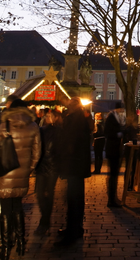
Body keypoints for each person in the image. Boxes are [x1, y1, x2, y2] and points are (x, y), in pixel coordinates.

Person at [0, 98, 40, 256]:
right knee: (18, 208)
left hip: (3, 173)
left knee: (5, 210)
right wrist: (28, 169)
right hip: (21, 173)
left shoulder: (4, 126)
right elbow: (37, 154)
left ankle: (5, 247)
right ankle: (21, 243)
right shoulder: (33, 126)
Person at [55, 97, 92, 247]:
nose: (66, 102)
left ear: (74, 105)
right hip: (77, 165)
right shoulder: (77, 117)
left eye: (70, 101)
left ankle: (72, 232)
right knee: (74, 199)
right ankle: (75, 229)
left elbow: (70, 142)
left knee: (74, 199)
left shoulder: (75, 119)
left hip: (74, 165)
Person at [34, 109, 60, 237]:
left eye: (50, 116)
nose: (48, 117)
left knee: (49, 194)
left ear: (55, 118)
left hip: (53, 166)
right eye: (47, 115)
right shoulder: (40, 130)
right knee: (39, 194)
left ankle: (44, 221)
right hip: (41, 165)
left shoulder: (59, 131)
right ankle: (44, 218)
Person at [103, 102, 126, 207]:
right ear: (118, 109)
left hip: (116, 149)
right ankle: (111, 199)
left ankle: (113, 197)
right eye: (121, 109)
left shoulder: (116, 117)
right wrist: (118, 133)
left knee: (114, 174)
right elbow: (107, 131)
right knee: (113, 174)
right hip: (112, 149)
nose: (122, 111)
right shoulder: (111, 117)